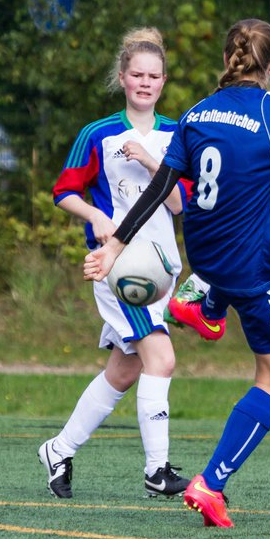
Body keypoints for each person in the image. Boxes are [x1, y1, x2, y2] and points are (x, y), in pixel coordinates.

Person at [84, 18, 270, 529]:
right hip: (254, 271)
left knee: (227, 250)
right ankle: (212, 482)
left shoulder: (196, 113)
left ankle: (203, 305)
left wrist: (116, 244)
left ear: (227, 59)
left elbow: (160, 185)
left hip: (205, 259)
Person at [41, 27, 192, 500]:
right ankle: (157, 471)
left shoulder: (177, 135)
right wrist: (96, 215)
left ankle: (59, 449)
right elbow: (63, 191)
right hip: (117, 269)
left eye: (153, 76)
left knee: (125, 371)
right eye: (136, 75)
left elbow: (179, 204)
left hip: (161, 270)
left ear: (163, 81)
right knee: (161, 358)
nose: (144, 83)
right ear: (122, 78)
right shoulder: (98, 134)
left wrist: (151, 161)